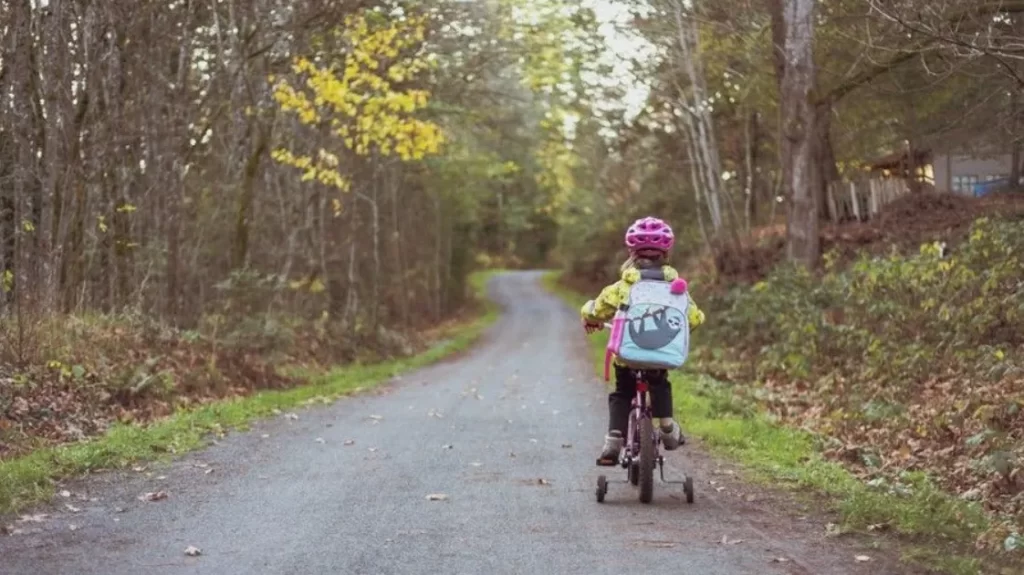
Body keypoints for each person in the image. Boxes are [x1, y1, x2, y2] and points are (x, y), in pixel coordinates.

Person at [580, 217, 705, 466]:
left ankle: (613, 441)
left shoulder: (624, 286)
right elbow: (694, 317)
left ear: (631, 252)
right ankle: (668, 428)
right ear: (666, 253)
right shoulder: (676, 287)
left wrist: (588, 315)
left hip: (627, 356)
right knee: (660, 383)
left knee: (622, 392)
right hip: (660, 356)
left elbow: (597, 308)